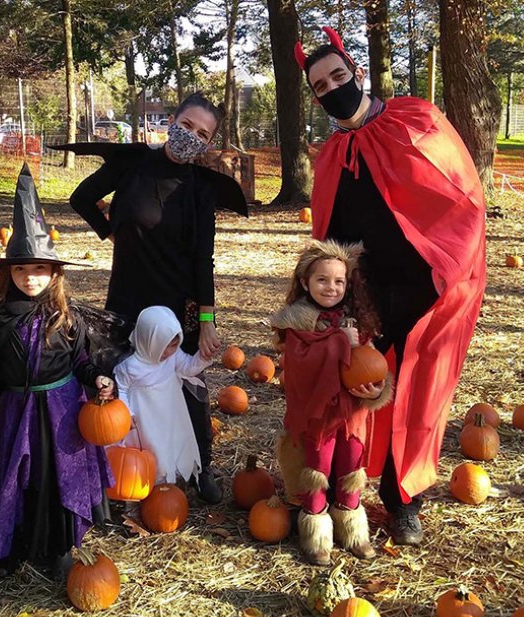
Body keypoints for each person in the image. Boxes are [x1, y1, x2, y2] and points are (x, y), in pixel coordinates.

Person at [292, 28, 487, 546]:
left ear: (357, 70)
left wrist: (450, 273)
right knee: (360, 393)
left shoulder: (415, 119)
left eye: (338, 75)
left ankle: (404, 500)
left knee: (419, 397)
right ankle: (346, 489)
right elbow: (329, 233)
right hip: (366, 297)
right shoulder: (333, 155)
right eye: (319, 86)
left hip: (426, 292)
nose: (332, 88)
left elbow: (460, 195)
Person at [62, 92, 248, 504]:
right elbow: (80, 198)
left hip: (177, 301)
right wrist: (108, 230)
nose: (192, 137)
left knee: (187, 383)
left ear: (209, 143)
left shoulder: (200, 189)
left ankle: (200, 465)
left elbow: (204, 259)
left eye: (203, 134)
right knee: (125, 382)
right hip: (128, 297)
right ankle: (127, 465)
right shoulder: (132, 165)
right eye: (187, 126)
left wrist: (206, 320)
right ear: (172, 122)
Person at [0, 164, 121, 578]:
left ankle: (59, 547)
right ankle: (12, 546)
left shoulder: (66, 317)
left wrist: (96, 377)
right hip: (15, 415)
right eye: (20, 270)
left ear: (54, 273)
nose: (30, 278)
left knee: (56, 480)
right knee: (17, 480)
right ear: (8, 274)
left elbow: (81, 361)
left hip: (61, 418)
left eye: (39, 269)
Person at [270, 240, 393, 565]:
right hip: (318, 418)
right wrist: (339, 342)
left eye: (339, 281)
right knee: (317, 469)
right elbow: (302, 368)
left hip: (352, 415)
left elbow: (370, 362)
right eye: (322, 280)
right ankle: (316, 533)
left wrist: (377, 389)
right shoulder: (298, 324)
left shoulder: (356, 320)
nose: (331, 287)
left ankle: (352, 528)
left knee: (351, 467)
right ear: (305, 282)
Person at [114, 306, 213, 485]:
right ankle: (145, 486)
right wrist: (126, 413)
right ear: (148, 341)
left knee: (168, 444)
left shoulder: (173, 356)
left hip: (169, 413)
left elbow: (188, 368)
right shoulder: (130, 367)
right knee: (149, 449)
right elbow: (120, 389)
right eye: (164, 347)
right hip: (143, 418)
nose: (169, 352)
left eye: (174, 346)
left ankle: (168, 483)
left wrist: (203, 357)